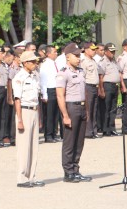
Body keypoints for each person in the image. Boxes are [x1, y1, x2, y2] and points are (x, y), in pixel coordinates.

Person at [56, 43, 92, 183]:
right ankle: (68, 172)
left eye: (79, 56)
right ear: (67, 57)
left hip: (82, 107)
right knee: (69, 142)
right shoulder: (63, 73)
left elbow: (85, 93)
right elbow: (60, 96)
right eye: (76, 56)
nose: (78, 58)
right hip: (71, 108)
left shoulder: (81, 71)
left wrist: (87, 110)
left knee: (79, 141)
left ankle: (76, 169)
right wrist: (65, 115)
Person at [12, 51, 45, 188]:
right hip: (24, 111)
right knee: (24, 147)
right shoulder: (19, 77)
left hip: (34, 110)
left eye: (35, 61)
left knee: (34, 146)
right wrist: (19, 120)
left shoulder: (35, 76)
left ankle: (32, 176)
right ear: (25, 63)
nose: (35, 64)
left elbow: (37, 98)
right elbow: (17, 100)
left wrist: (40, 117)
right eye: (32, 62)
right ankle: (21, 178)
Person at [98, 43, 121, 136]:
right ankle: (105, 129)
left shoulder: (114, 61)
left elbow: (118, 73)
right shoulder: (103, 61)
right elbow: (100, 77)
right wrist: (101, 89)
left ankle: (112, 128)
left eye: (114, 51)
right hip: (107, 85)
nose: (113, 53)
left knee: (113, 108)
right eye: (111, 51)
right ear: (106, 51)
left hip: (115, 86)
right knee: (106, 108)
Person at [39, 45, 61, 143]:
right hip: (49, 90)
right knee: (49, 114)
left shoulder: (55, 63)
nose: (56, 53)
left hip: (56, 89)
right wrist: (44, 94)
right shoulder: (45, 65)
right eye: (54, 52)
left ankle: (54, 133)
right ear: (48, 54)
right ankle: (48, 135)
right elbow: (43, 80)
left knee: (55, 114)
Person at [81, 42, 101, 139]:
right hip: (88, 87)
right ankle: (88, 132)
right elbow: (83, 77)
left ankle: (94, 130)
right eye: (92, 49)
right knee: (88, 110)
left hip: (94, 87)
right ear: (86, 50)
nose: (94, 51)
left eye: (94, 49)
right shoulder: (83, 61)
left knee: (94, 109)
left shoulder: (93, 60)